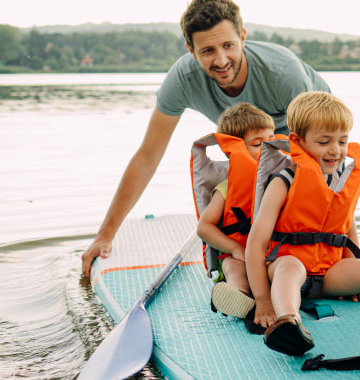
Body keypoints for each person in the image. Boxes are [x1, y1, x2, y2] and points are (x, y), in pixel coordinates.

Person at [80, 0, 331, 280]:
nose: (221, 61)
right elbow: (148, 155)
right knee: (243, 197)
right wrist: (105, 235)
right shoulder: (182, 79)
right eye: (208, 51)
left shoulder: (283, 73)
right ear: (191, 51)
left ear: (243, 37)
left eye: (228, 46)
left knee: (289, 191)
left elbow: (320, 159)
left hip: (309, 129)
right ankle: (241, 268)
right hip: (248, 139)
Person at [245, 91, 360, 356]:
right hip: (286, 269)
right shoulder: (283, 182)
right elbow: (255, 245)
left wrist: (353, 271)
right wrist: (263, 300)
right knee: (291, 266)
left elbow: (346, 228)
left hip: (329, 274)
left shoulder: (338, 180)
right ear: (298, 141)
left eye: (343, 141)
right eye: (324, 142)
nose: (336, 151)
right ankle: (290, 322)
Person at [191, 103, 279, 319]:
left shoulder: (282, 182)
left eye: (272, 140)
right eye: (258, 144)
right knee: (231, 265)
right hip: (240, 257)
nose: (269, 149)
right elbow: (204, 228)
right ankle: (238, 294)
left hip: (273, 257)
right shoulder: (226, 189)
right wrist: (235, 248)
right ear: (233, 151)